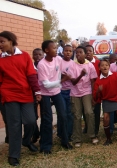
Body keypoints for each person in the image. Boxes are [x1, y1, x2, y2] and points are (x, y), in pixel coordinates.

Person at [0, 31, 41, 166]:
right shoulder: (0, 59)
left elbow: (31, 75)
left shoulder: (24, 56)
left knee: (30, 121)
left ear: (11, 41)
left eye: (2, 42)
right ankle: (14, 155)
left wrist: (37, 91)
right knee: (14, 125)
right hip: (9, 95)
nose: (0, 45)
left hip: (25, 94)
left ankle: (26, 140)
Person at [38, 40, 72, 155]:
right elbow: (46, 85)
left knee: (63, 115)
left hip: (57, 91)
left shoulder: (57, 59)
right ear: (46, 50)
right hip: (45, 93)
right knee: (47, 119)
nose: (56, 50)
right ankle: (46, 145)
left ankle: (65, 140)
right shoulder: (42, 64)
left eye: (56, 47)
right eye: (53, 48)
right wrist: (62, 80)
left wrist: (66, 75)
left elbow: (64, 67)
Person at [93, 59, 117, 146]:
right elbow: (95, 96)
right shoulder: (98, 81)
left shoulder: (116, 75)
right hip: (107, 100)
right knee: (106, 118)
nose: (104, 67)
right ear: (99, 68)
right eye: (102, 65)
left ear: (109, 66)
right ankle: (108, 139)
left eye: (106, 65)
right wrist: (98, 91)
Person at [66, 46, 98, 147]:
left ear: (84, 54)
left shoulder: (90, 65)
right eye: (77, 53)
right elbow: (73, 82)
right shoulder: (72, 65)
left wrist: (93, 95)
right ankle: (77, 139)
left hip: (87, 92)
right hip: (75, 93)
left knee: (89, 112)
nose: (78, 54)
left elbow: (93, 81)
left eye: (80, 52)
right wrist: (81, 74)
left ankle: (92, 135)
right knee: (77, 115)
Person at [85, 45, 101, 136]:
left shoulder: (98, 63)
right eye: (86, 51)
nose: (88, 53)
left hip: (96, 90)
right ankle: (87, 127)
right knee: (87, 111)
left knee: (96, 110)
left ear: (93, 52)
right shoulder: (82, 63)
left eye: (90, 51)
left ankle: (96, 130)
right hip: (85, 91)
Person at [60, 45, 74, 142]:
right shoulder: (59, 62)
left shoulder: (74, 64)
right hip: (60, 91)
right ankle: (61, 133)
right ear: (62, 52)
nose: (68, 52)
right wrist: (62, 77)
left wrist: (70, 78)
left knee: (70, 114)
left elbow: (75, 78)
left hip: (71, 91)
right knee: (62, 114)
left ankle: (69, 134)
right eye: (66, 51)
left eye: (70, 51)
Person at [31, 48, 44, 143]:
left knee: (44, 115)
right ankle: (35, 133)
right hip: (32, 95)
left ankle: (43, 136)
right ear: (32, 56)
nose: (38, 57)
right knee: (33, 116)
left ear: (43, 55)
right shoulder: (30, 67)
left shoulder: (45, 66)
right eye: (35, 55)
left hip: (45, 94)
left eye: (40, 54)